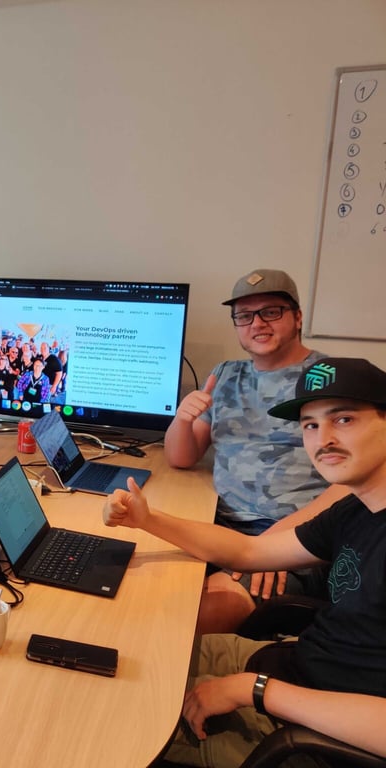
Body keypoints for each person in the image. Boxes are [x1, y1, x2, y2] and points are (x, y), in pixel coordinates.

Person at [103, 357, 386, 767]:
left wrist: (254, 690)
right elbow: (249, 552)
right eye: (310, 425)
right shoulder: (358, 507)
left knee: (110, 721)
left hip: (306, 734)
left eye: (343, 419)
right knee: (123, 658)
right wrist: (147, 520)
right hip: (294, 667)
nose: (323, 439)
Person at [165, 268, 349, 633]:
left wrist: (281, 543)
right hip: (222, 525)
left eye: (271, 311)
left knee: (186, 616)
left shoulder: (330, 377)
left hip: (295, 536)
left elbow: (356, 483)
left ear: (297, 317)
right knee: (139, 580)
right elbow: (181, 458)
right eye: (244, 316)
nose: (257, 324)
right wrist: (183, 420)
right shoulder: (226, 374)